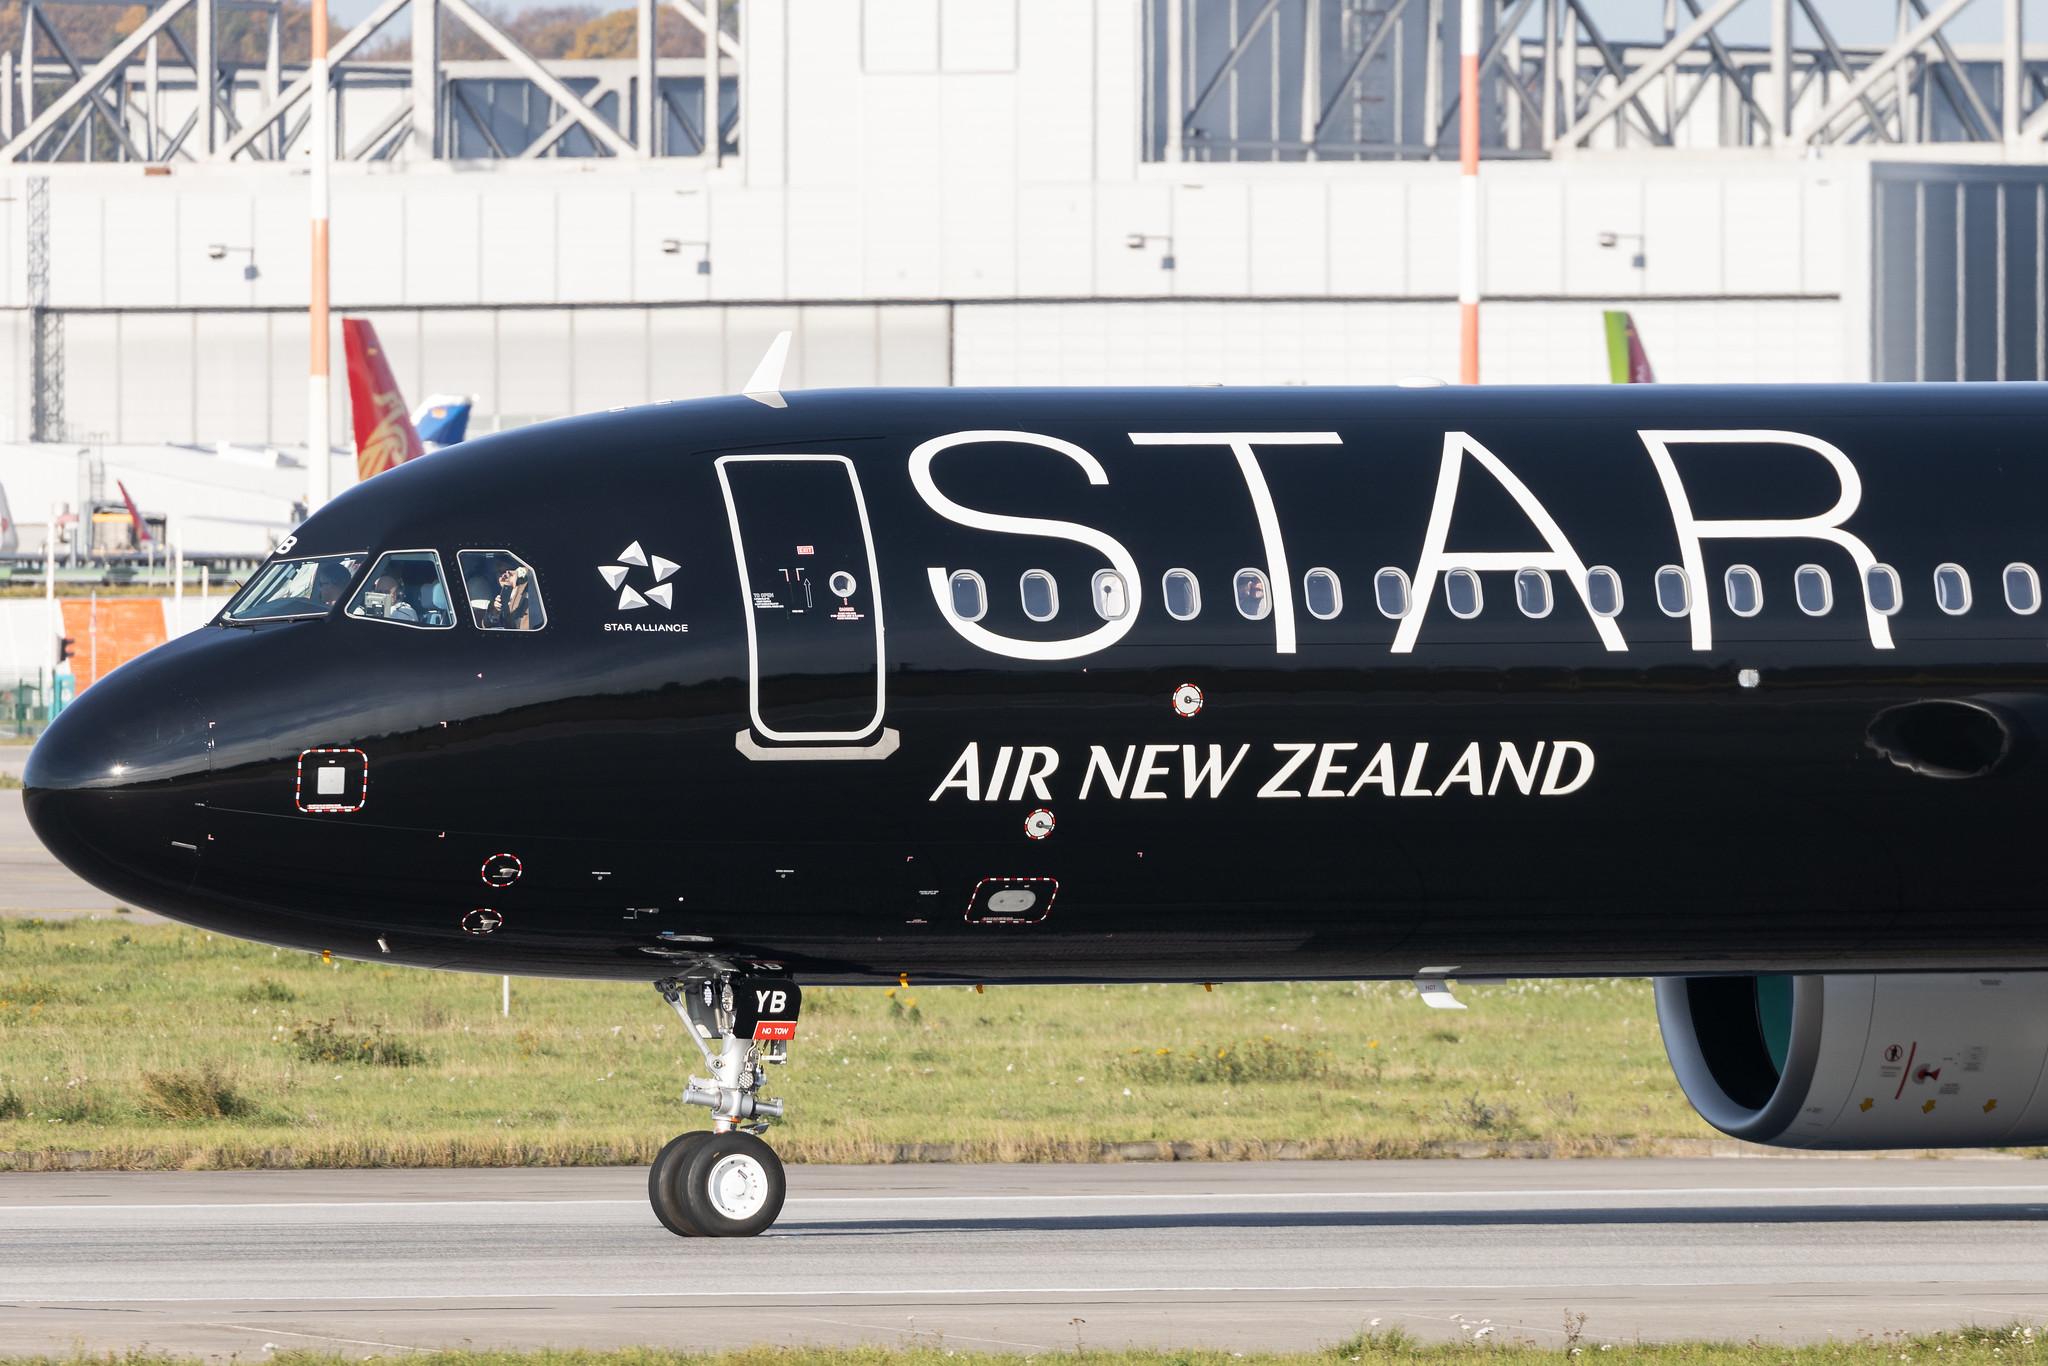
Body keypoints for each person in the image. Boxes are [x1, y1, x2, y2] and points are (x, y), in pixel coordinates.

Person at [484, 561, 536, 630]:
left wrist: (519, 572)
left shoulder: (529, 584)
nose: (503, 575)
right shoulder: (498, 600)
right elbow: (486, 626)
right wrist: (495, 610)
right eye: (499, 572)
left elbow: (533, 571)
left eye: (506, 571)